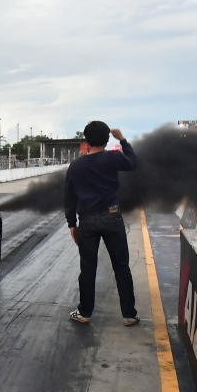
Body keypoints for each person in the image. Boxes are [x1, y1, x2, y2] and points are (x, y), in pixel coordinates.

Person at [65, 121, 139, 326]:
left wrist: (72, 224)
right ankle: (129, 315)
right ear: (107, 139)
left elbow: (69, 198)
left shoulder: (76, 166)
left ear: (86, 140)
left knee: (88, 269)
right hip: (112, 217)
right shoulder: (113, 158)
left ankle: (85, 313)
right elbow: (132, 162)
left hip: (87, 221)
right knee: (121, 267)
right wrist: (122, 140)